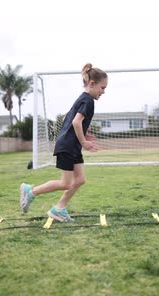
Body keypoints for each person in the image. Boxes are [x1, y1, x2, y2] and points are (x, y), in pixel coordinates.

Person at [19, 63, 108, 222]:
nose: (103, 92)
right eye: (102, 88)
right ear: (92, 84)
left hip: (72, 146)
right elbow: (75, 122)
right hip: (68, 146)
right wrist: (84, 141)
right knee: (66, 183)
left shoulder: (83, 99)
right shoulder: (88, 101)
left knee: (80, 179)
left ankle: (58, 209)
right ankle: (30, 191)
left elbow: (71, 119)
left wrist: (85, 133)